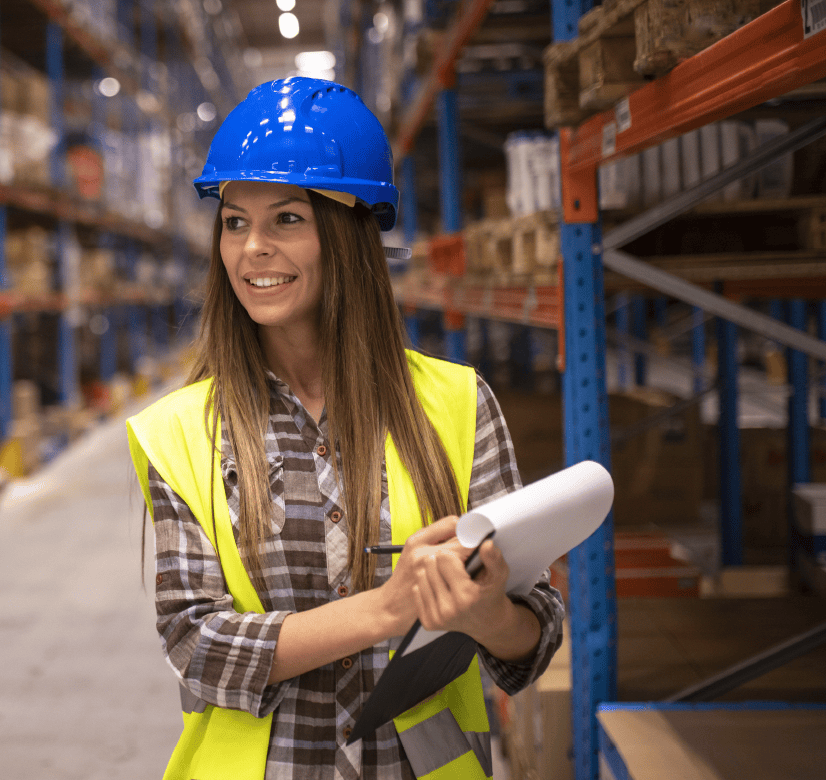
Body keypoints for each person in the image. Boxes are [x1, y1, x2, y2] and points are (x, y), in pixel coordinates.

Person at [126, 77, 565, 780]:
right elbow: (196, 644)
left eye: (287, 220)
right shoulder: (183, 429)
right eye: (235, 222)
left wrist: (484, 613)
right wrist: (390, 609)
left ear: (348, 231)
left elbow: (533, 641)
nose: (251, 249)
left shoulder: (455, 403)